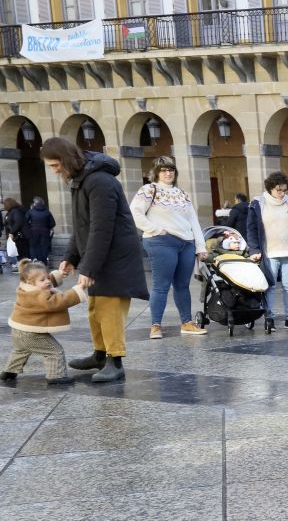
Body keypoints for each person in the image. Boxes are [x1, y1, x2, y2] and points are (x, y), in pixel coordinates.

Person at [42, 137, 148, 384]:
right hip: (101, 255)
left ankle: (115, 360)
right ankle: (100, 354)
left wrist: (88, 266)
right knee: (95, 308)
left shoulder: (100, 181)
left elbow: (102, 229)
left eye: (55, 165)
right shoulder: (82, 180)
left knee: (109, 308)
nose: (55, 171)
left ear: (67, 159)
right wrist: (71, 256)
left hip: (115, 256)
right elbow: (82, 226)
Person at [130, 156, 209, 340]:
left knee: (182, 286)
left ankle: (187, 323)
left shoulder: (182, 193)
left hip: (186, 243)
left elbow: (193, 221)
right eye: (164, 170)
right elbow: (135, 212)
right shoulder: (149, 190)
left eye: (171, 170)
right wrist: (155, 229)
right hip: (161, 242)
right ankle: (155, 325)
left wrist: (200, 246)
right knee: (161, 286)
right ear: (156, 173)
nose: (168, 173)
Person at [0, 259, 88, 387]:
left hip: (19, 331)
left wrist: (58, 274)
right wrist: (77, 290)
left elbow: (43, 281)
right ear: (30, 282)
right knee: (55, 351)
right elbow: (58, 301)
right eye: (43, 280)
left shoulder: (25, 287)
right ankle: (56, 376)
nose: (47, 281)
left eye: (47, 277)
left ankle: (9, 371)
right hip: (30, 334)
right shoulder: (37, 295)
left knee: (21, 350)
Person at [245, 171, 288, 331]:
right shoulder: (258, 204)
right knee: (271, 286)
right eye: (278, 190)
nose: (282, 193)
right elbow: (251, 229)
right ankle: (270, 318)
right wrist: (254, 249)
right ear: (270, 189)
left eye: (284, 190)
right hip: (270, 252)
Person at [24, 198, 55, 265]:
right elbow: (53, 223)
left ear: (35, 204)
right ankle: (43, 261)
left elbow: (25, 221)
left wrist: (30, 226)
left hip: (33, 231)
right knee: (44, 246)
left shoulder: (31, 211)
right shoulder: (47, 211)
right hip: (45, 232)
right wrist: (47, 227)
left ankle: (35, 258)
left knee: (33, 246)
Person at [2, 198, 26, 263]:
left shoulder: (15, 211)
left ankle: (22, 265)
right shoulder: (11, 211)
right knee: (17, 251)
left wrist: (11, 232)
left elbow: (18, 222)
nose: (4, 206)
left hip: (18, 235)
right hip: (14, 235)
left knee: (20, 252)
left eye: (4, 204)